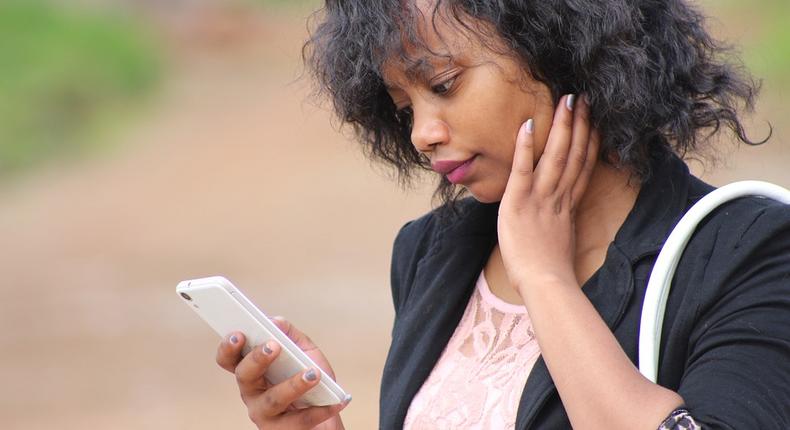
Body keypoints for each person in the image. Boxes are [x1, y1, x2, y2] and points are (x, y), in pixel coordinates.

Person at [215, 0, 790, 428]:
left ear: (564, 42)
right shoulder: (431, 252)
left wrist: (544, 278)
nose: (421, 134)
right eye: (403, 106)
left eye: (443, 83)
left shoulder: (750, 249)